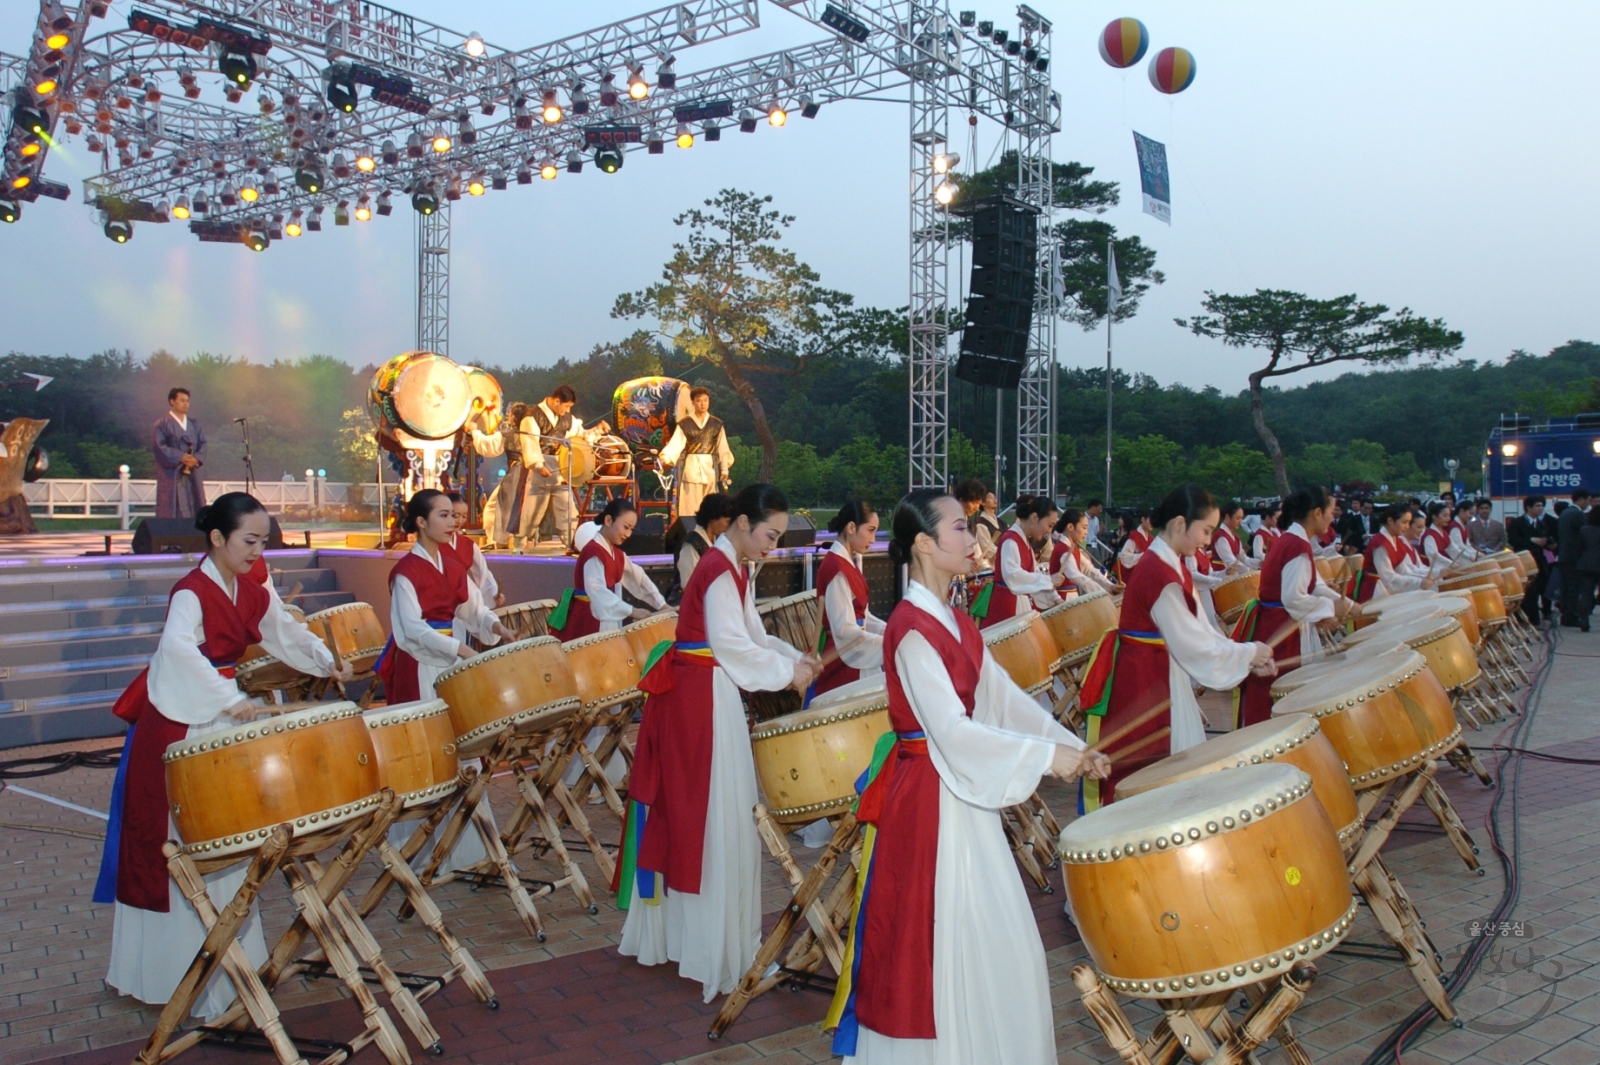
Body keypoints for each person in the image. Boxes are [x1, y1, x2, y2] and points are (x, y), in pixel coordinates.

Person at [824, 489, 1109, 1062]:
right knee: (942, 939)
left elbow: (1000, 700)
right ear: (925, 544)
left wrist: (1070, 745)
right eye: (960, 529)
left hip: (958, 793)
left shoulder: (955, 619)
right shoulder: (909, 627)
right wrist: (1044, 758)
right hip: (929, 800)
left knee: (994, 939)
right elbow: (951, 733)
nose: (974, 540)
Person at [96, 493, 352, 1019]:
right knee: (185, 840)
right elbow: (176, 653)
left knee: (234, 837)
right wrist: (230, 702)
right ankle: (176, 977)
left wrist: (327, 660)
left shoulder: (251, 585)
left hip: (220, 708)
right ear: (217, 537)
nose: (259, 552)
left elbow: (282, 629)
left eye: (264, 541)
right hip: (182, 717)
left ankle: (226, 973)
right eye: (249, 541)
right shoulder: (190, 591)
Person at [620, 485, 821, 1000]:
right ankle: (713, 948)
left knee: (716, 817)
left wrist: (792, 658)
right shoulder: (716, 567)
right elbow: (732, 645)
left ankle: (710, 943)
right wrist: (786, 671)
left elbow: (750, 633)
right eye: (769, 535)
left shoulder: (731, 565)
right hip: (699, 699)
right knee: (711, 817)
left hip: (709, 693)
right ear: (739, 523)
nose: (772, 547)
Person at [1076, 485, 1271, 810]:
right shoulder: (1159, 572)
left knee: (1166, 766)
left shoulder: (1172, 565)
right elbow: (1192, 643)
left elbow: (1200, 631)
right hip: (1147, 680)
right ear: (1180, 524)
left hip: (1158, 670)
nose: (1208, 540)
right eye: (1205, 530)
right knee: (1150, 771)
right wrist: (1247, 654)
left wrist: (1246, 656)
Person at [1231, 485, 1357, 729]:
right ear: (1317, 513)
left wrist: (1347, 605)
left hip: (1279, 623)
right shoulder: (1296, 546)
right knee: (1279, 700)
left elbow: (1315, 585)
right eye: (1331, 511)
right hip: (1282, 629)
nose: (1333, 516)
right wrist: (1328, 610)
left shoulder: (1292, 540)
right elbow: (1294, 599)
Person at [377, 489, 510, 704]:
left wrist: (499, 628)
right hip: (418, 660)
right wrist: (462, 650)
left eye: (453, 515)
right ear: (421, 521)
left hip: (449, 656)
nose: (452, 523)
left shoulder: (453, 568)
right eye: (444, 515)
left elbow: (474, 610)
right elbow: (413, 628)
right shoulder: (406, 573)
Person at [549, 499, 668, 641]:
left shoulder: (616, 554)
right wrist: (632, 611)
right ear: (608, 520)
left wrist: (662, 605)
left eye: (631, 529)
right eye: (626, 527)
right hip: (588, 618)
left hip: (604, 617)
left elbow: (639, 578)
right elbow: (597, 590)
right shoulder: (593, 552)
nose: (628, 534)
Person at [520, 386, 611, 551]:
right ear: (557, 401)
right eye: (566, 406)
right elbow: (529, 444)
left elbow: (581, 437)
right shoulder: (532, 417)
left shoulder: (568, 419)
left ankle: (573, 544)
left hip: (560, 469)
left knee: (567, 511)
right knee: (531, 512)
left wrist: (598, 430)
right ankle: (519, 545)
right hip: (540, 470)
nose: (568, 410)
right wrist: (538, 466)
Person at [814, 499, 886, 696]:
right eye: (870, 530)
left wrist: (888, 631)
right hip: (842, 659)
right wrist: (889, 643)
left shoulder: (844, 563)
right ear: (851, 527)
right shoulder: (837, 568)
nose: (873, 539)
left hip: (852, 650)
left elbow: (863, 617)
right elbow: (845, 630)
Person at [975, 494, 1061, 627]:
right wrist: (1048, 581)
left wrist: (1055, 598)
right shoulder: (1011, 540)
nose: (1048, 532)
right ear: (1034, 518)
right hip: (1007, 607)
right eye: (1049, 525)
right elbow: (1012, 574)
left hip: (1019, 605)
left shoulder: (1024, 541)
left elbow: (1035, 573)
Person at [657, 387, 734, 523]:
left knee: (712, 508)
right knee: (690, 507)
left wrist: (724, 469)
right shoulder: (685, 424)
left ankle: (710, 538)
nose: (702, 404)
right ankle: (690, 534)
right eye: (699, 401)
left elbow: (723, 448)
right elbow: (676, 444)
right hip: (691, 469)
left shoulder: (716, 424)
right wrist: (666, 457)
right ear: (693, 402)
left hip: (710, 469)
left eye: (705, 400)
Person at [1349, 504, 1434, 602]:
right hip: (1374, 591)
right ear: (1390, 521)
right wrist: (1418, 582)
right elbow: (1388, 578)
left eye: (1409, 523)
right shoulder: (1380, 543)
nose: (1407, 526)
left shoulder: (1397, 541)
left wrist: (1423, 579)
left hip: (1385, 587)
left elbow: (1404, 571)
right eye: (1404, 522)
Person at [476, 402, 529, 550]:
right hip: (532, 475)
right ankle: (513, 542)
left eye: (510, 414)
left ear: (513, 417)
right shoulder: (533, 435)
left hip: (516, 474)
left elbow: (487, 446)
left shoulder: (509, 435)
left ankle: (496, 540)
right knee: (521, 510)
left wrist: (475, 432)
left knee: (494, 508)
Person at [153, 387, 207, 519]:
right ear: (172, 401)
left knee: (195, 499)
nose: (185, 404)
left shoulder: (194, 424)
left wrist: (196, 459)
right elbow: (159, 447)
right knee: (172, 504)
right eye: (182, 400)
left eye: (187, 401)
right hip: (172, 472)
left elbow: (203, 443)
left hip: (192, 471)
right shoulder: (162, 424)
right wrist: (180, 456)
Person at [444, 493, 502, 608]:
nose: (460, 521)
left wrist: (493, 594)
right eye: (455, 515)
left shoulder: (468, 545)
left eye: (464, 516)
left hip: (463, 603)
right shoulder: (433, 544)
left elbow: (483, 574)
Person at [1509, 495, 1560, 625]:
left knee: (1541, 587)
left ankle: (1542, 613)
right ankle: (1527, 617)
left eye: (1542, 506)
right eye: (1537, 506)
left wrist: (1549, 544)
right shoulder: (1518, 522)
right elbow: (1513, 540)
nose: (1540, 508)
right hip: (1524, 560)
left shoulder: (1541, 523)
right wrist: (1531, 539)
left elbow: (1546, 538)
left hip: (1540, 559)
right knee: (1529, 591)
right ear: (1528, 507)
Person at [675, 492, 735, 597]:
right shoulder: (691, 545)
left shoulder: (719, 541)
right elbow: (688, 585)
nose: (728, 526)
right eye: (726, 521)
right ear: (713, 518)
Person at [1051, 508, 1118, 596]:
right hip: (1062, 598)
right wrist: (1102, 592)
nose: (1086, 532)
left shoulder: (1072, 547)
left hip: (1070, 597)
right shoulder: (1063, 550)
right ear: (1070, 527)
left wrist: (1111, 586)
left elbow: (1089, 570)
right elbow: (1075, 576)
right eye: (1084, 527)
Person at [1558, 488, 1594, 628]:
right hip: (1574, 557)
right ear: (1581, 500)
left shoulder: (1565, 513)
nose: (1588, 504)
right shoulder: (1578, 514)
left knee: (1565, 587)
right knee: (1574, 588)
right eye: (1587, 501)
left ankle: (1565, 615)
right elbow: (1583, 535)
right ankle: (1571, 616)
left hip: (1563, 555)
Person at [954, 479, 997, 569]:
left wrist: (986, 567)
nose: (976, 508)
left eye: (978, 503)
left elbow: (977, 555)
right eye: (974, 503)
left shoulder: (970, 526)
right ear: (961, 500)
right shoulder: (947, 524)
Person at [1212, 501, 1257, 572]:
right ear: (1227, 517)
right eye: (1238, 518)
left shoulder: (1235, 537)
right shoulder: (1221, 537)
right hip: (1221, 576)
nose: (1240, 521)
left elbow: (1244, 558)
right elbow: (1230, 561)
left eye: (1241, 518)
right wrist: (1249, 570)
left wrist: (1259, 563)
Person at [1115, 509, 1154, 581]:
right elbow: (1124, 555)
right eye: (1151, 519)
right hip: (1133, 574)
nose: (1153, 522)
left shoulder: (1150, 538)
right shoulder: (1135, 535)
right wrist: (1143, 555)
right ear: (1143, 519)